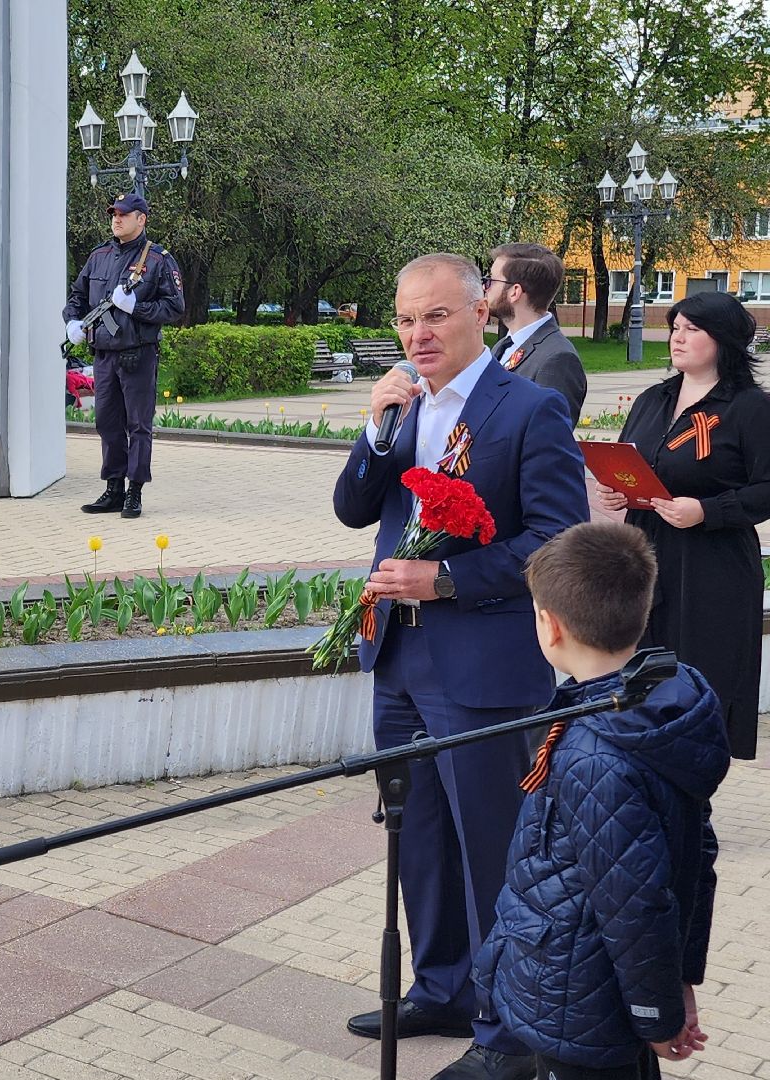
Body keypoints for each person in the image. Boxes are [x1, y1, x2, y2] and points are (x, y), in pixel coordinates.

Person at [333, 253, 589, 1080]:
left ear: (480, 309)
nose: (417, 334)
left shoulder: (530, 408)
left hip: (482, 667)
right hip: (398, 658)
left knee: (491, 850)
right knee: (420, 841)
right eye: (406, 319)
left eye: (435, 316)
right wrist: (376, 429)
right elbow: (352, 508)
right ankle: (442, 987)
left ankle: (508, 1029)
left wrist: (443, 580)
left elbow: (553, 541)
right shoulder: (403, 401)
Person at [477, 519, 729, 1080]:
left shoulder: (597, 754)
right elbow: (690, 859)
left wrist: (657, 1016)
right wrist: (677, 984)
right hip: (596, 982)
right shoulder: (653, 701)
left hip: (580, 993)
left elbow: (636, 904)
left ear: (550, 625)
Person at [595, 291, 770, 761]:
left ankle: (695, 804)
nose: (678, 336)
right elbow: (632, 459)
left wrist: (709, 511)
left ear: (724, 340)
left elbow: (766, 488)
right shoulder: (654, 399)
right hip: (644, 554)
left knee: (699, 679)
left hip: (712, 566)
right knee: (640, 675)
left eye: (693, 329)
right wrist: (619, 489)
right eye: (675, 327)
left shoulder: (750, 408)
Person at [62, 192, 185, 519]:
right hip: (103, 354)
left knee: (138, 425)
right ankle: (113, 487)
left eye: (124, 214)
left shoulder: (157, 260)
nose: (116, 219)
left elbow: (174, 307)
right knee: (107, 422)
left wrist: (136, 307)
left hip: (137, 355)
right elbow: (77, 295)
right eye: (114, 214)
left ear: (141, 219)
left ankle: (135, 491)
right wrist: (72, 321)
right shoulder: (99, 256)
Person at [483, 243, 587, 421]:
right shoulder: (503, 346)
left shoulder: (558, 359)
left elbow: (549, 438)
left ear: (514, 292)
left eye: (492, 281)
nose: (485, 287)